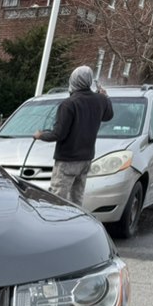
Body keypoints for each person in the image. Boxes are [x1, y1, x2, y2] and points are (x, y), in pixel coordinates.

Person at [33, 65, 113, 206]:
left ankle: (56, 220)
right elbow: (109, 116)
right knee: (76, 200)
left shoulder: (69, 104)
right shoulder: (100, 100)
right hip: (86, 159)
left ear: (73, 80)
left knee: (57, 200)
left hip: (67, 160)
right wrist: (106, 97)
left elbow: (58, 134)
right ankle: (75, 219)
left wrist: (40, 135)